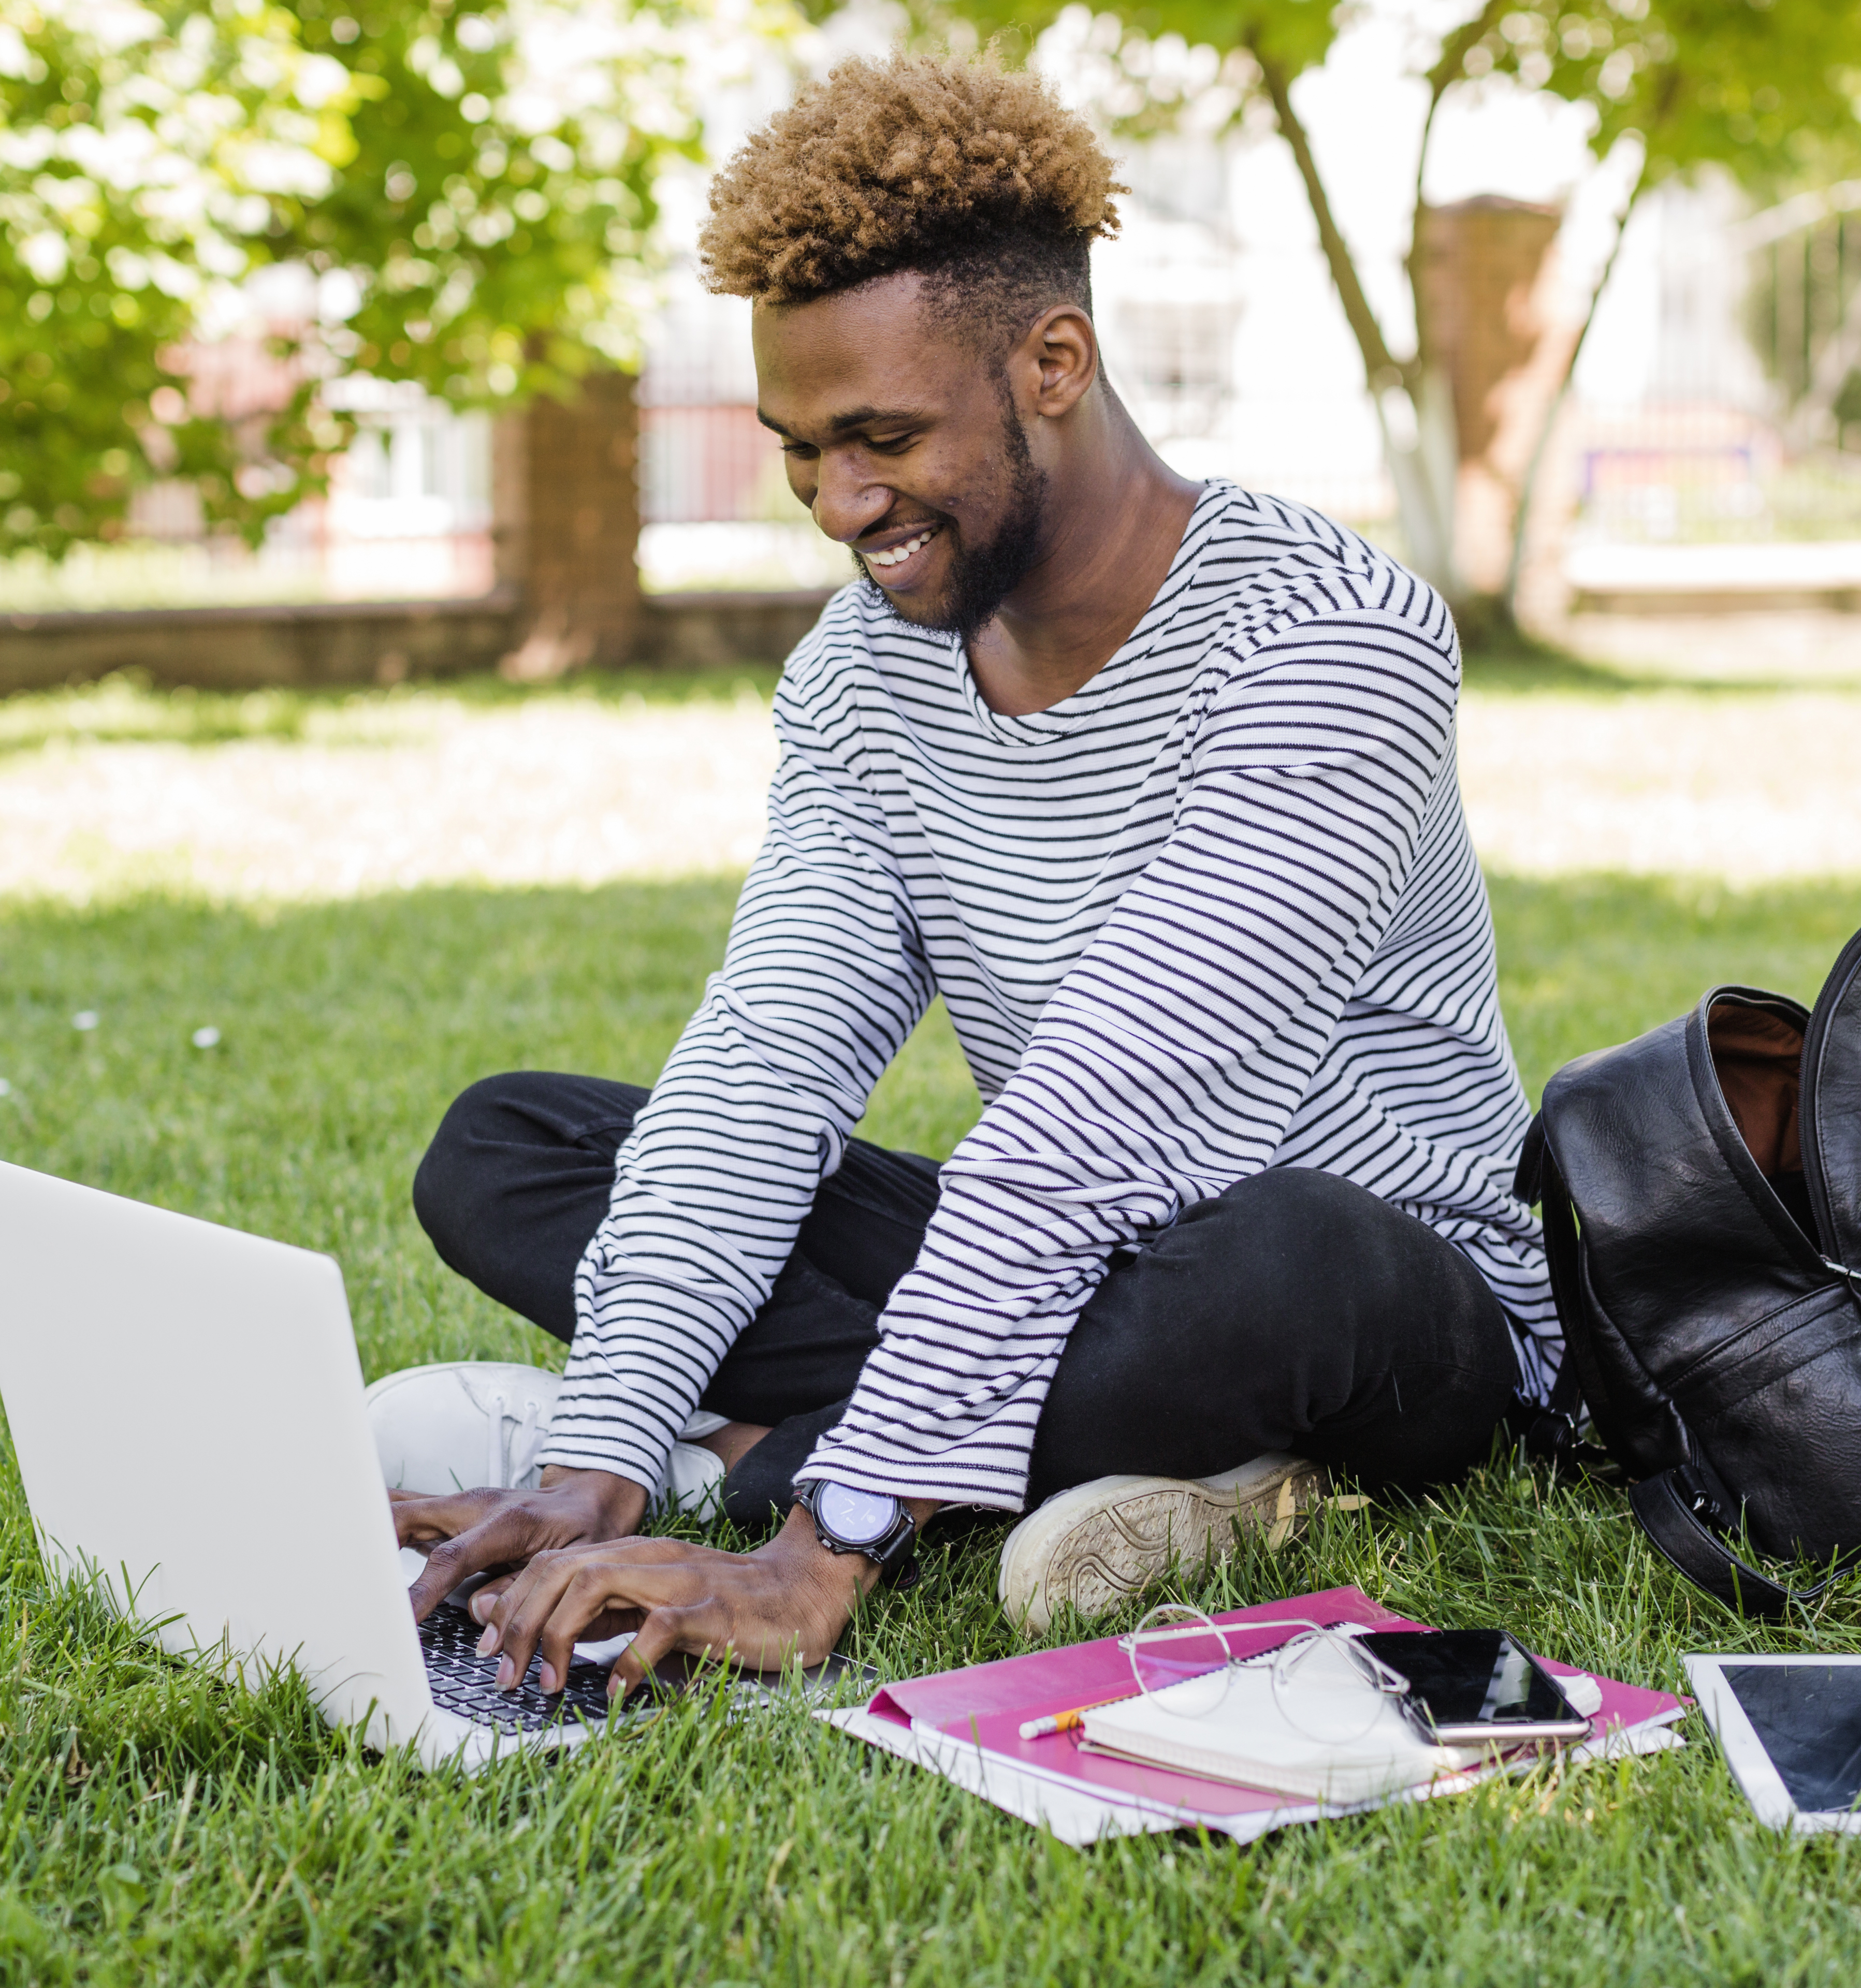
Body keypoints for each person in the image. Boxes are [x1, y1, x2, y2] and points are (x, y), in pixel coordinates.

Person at [377, 51, 1557, 1702]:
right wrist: (600, 1447)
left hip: (1368, 1287)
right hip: (1074, 1249)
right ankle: (1108, 1466)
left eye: (882, 438)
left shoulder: (1329, 641)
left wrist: (822, 1538)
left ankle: (807, 1454)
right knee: (512, 1145)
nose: (842, 505)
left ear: (1054, 359)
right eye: (800, 451)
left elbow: (1104, 1114)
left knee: (1280, 1258)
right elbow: (769, 1057)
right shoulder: (868, 671)